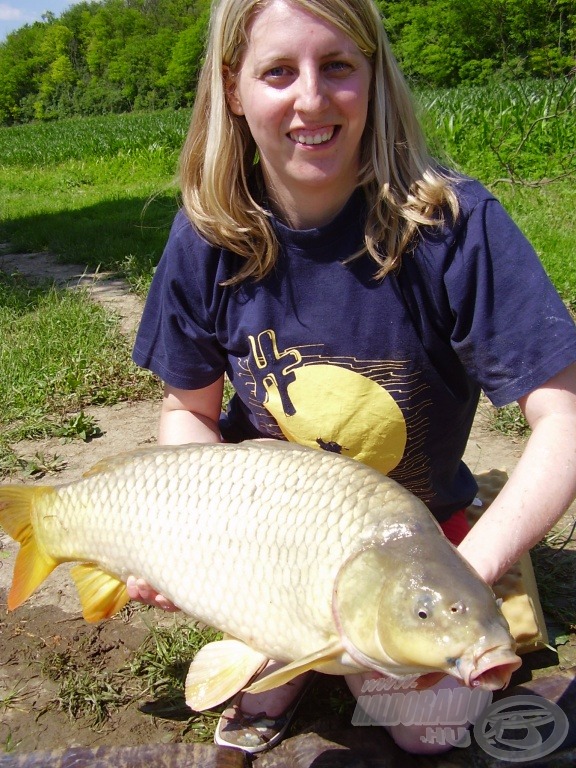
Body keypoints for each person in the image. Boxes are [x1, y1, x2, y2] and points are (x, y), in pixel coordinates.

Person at [129, 0, 576, 755]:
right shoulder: (209, 233)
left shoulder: (453, 225)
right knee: (254, 685)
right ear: (234, 89)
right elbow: (189, 412)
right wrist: (180, 540)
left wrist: (466, 576)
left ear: (374, 76)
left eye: (337, 65)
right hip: (268, 544)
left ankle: (498, 556)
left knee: (427, 732)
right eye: (278, 71)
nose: (311, 98)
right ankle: (286, 651)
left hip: (419, 542)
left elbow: (564, 416)